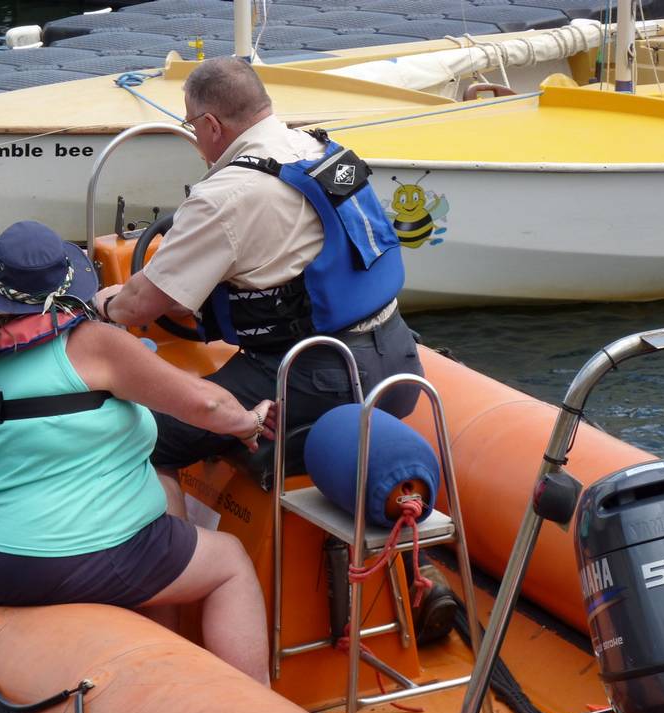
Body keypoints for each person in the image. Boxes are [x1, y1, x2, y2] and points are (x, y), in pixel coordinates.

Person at [93, 57, 457, 643]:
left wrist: (107, 305)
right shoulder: (319, 150)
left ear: (211, 126)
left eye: (191, 127)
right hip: (395, 357)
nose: (194, 140)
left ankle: (176, 586)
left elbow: (143, 306)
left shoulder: (224, 195)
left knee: (145, 434)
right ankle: (414, 569)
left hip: (309, 377)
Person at [0, 220, 272, 684]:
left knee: (160, 484)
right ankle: (251, 712)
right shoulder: (96, 344)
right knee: (229, 561)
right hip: (46, 561)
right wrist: (250, 422)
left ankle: (165, 652)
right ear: (68, 285)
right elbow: (209, 404)